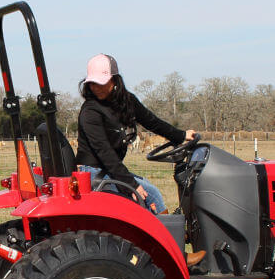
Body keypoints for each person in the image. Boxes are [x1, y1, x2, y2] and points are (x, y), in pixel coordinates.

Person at [73, 54, 203, 265]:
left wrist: (180, 136)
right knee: (151, 194)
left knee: (150, 190)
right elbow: (104, 153)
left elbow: (152, 122)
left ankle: (173, 238)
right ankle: (175, 254)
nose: (97, 88)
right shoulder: (90, 112)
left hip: (108, 168)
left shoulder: (126, 101)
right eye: (93, 83)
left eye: (101, 82)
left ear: (114, 79)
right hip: (93, 170)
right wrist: (131, 185)